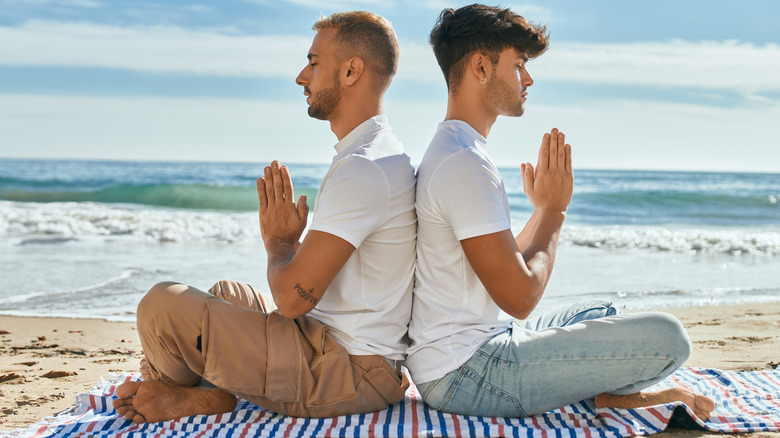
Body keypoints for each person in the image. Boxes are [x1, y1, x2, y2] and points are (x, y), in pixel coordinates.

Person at [406, 4, 715, 419]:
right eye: (519, 65)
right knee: (669, 338)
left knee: (599, 313)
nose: (528, 78)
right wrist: (554, 213)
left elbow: (498, 267)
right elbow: (519, 298)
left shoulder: (457, 151)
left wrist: (539, 212)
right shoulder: (464, 164)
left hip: (469, 351)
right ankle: (602, 394)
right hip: (468, 374)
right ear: (481, 66)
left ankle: (600, 393)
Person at [112, 11, 415, 423]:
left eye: (313, 62)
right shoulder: (374, 153)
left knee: (161, 306)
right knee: (227, 292)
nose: (301, 77)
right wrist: (292, 247)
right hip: (335, 348)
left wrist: (280, 244)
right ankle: (198, 391)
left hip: (345, 372)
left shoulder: (364, 167)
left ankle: (183, 394)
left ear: (350, 71)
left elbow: (291, 300)